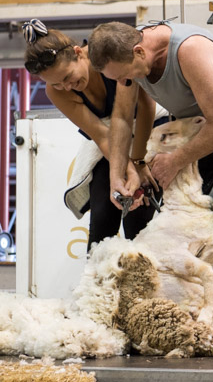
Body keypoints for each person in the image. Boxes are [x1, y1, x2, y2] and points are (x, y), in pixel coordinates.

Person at [87, 20, 213, 308]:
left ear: (138, 52)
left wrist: (175, 161)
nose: (125, 83)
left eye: (125, 77)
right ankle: (196, 303)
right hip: (194, 127)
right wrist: (117, 175)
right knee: (183, 216)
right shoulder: (130, 60)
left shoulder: (190, 51)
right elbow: (122, 118)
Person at [22, 18, 159, 251]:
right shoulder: (57, 91)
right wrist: (122, 172)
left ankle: (146, 283)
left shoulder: (108, 58)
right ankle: (94, 285)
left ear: (79, 53)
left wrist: (138, 162)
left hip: (147, 132)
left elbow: (145, 108)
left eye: (67, 77)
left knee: (138, 212)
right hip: (110, 143)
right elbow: (102, 136)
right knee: (104, 212)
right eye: (56, 84)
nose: (66, 87)